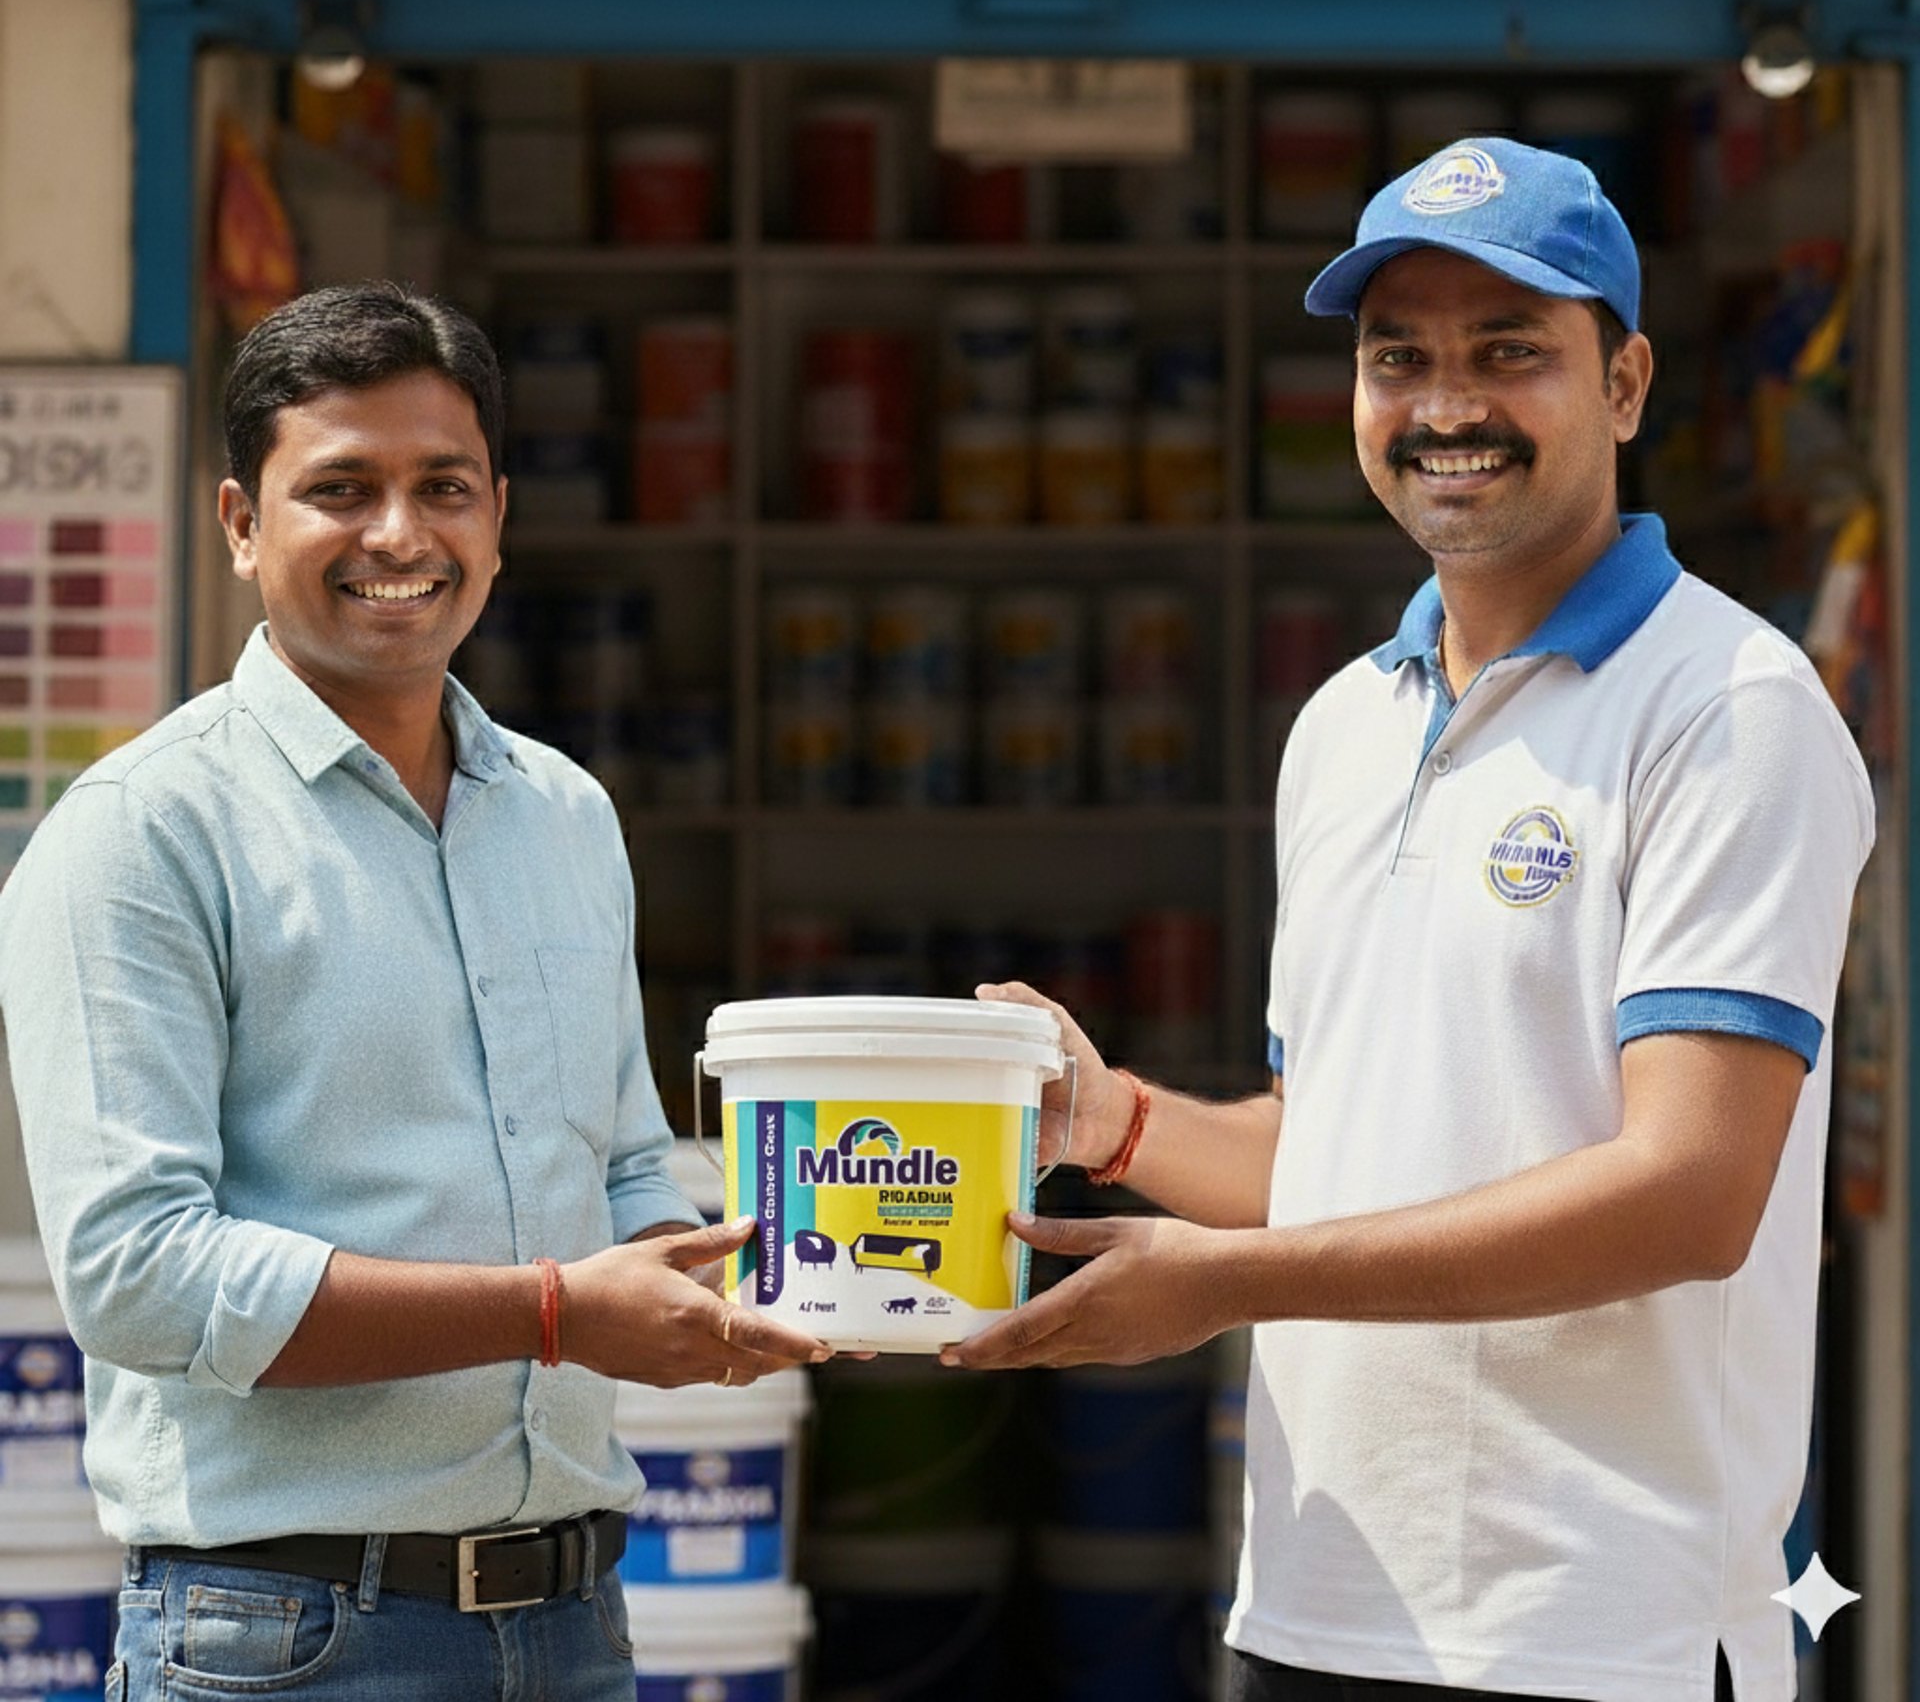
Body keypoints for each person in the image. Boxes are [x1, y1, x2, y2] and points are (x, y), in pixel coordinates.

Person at [947, 140, 1873, 1702]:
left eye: (1512, 351)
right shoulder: (1343, 726)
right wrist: (1115, 1122)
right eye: (1401, 359)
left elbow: (1690, 1193)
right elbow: (1337, 1152)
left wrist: (1219, 1286)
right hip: (1320, 1609)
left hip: (1603, 1635)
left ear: (1628, 384)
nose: (1449, 406)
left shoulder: (1728, 707)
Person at [0, 282, 828, 1702]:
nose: (401, 535)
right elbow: (139, 1275)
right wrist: (559, 1309)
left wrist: (769, 1279)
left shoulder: (562, 812)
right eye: (341, 489)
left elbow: (624, 1157)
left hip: (573, 1622)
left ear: (497, 516)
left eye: (443, 486)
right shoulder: (141, 832)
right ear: (241, 525)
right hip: (285, 1638)